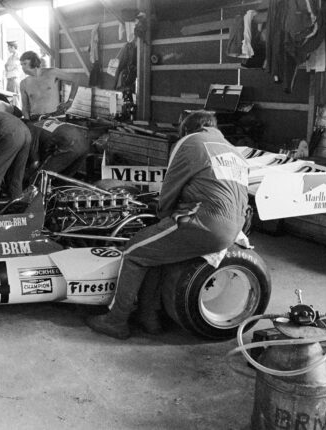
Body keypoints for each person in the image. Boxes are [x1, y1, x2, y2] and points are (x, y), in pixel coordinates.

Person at [86, 110, 249, 339]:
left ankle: (116, 320)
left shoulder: (191, 141)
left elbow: (170, 186)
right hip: (233, 228)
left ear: (185, 129)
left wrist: (162, 214)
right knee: (155, 253)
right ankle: (148, 316)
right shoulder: (233, 150)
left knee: (134, 252)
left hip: (205, 222)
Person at [19, 50, 89, 119]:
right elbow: (25, 107)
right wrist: (27, 121)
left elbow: (75, 79)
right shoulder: (24, 83)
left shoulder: (52, 72)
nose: (22, 68)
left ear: (34, 62)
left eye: (25, 64)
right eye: (21, 65)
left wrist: (70, 101)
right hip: (36, 118)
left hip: (56, 116)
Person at [5, 41, 23, 107]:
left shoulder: (19, 56)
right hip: (9, 79)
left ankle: (18, 112)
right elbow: (6, 66)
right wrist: (9, 67)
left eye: (9, 47)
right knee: (9, 97)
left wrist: (9, 67)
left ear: (13, 47)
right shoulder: (10, 57)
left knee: (15, 97)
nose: (8, 49)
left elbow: (11, 66)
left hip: (14, 79)